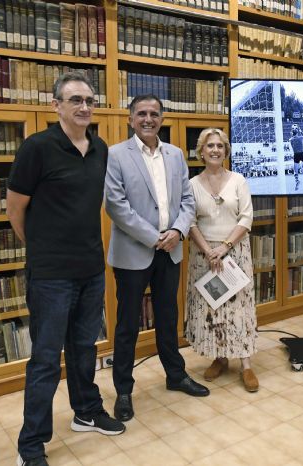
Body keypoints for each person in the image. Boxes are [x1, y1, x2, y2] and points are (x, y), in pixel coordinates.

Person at [7, 72, 125, 466]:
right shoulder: (37, 148)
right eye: (75, 99)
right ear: (56, 105)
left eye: (89, 100)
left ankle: (86, 411)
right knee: (45, 359)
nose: (84, 107)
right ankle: (31, 445)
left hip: (90, 268)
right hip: (50, 276)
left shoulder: (100, 148)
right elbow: (15, 209)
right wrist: (43, 250)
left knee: (84, 348)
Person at [105, 94, 210, 422]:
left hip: (171, 249)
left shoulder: (175, 155)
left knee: (168, 317)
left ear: (162, 119)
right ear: (130, 119)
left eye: (153, 114)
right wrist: (155, 238)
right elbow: (116, 206)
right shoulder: (115, 155)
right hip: (134, 252)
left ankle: (175, 375)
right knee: (127, 324)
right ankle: (123, 390)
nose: (148, 119)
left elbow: (188, 200)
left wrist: (177, 231)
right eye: (141, 114)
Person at [185, 128, 259, 392]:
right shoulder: (192, 184)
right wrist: (209, 250)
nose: (215, 150)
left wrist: (225, 247)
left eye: (219, 146)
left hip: (234, 253)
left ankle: (246, 364)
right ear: (201, 151)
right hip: (205, 256)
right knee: (212, 308)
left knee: (239, 308)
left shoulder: (239, 180)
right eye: (210, 146)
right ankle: (220, 357)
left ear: (226, 151)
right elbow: (190, 222)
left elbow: (246, 218)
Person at [289, 124, 303, 190]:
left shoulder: (290, 139)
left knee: (295, 171)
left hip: (296, 154)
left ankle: (297, 180)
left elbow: (292, 135)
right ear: (297, 132)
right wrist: (300, 131)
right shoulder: (301, 137)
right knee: (302, 167)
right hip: (302, 153)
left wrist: (293, 130)